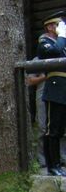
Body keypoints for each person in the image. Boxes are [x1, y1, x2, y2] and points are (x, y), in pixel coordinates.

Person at [36, 11, 66, 176]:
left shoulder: (62, 43)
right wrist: (62, 37)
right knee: (52, 129)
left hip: (64, 87)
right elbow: (53, 53)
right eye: (57, 25)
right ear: (49, 27)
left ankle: (58, 163)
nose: (60, 29)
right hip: (55, 87)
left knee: (61, 129)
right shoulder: (45, 41)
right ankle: (52, 165)